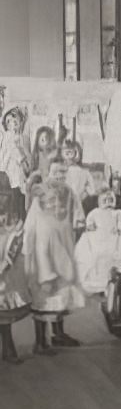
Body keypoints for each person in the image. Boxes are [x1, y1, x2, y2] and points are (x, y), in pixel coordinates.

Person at [22, 180, 85, 351]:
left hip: (62, 264)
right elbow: (29, 239)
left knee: (61, 300)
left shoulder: (61, 215)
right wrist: (41, 274)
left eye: (58, 200)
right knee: (42, 303)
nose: (55, 204)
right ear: (41, 201)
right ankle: (40, 341)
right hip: (44, 268)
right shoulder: (38, 216)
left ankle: (58, 334)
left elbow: (68, 238)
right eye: (50, 201)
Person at [74, 187, 121, 295]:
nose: (108, 204)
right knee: (93, 252)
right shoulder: (95, 212)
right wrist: (90, 226)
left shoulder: (117, 213)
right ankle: (96, 280)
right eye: (104, 201)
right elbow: (89, 221)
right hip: (98, 235)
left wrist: (119, 228)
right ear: (99, 202)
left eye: (111, 200)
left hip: (112, 236)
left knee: (115, 252)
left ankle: (112, 279)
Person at [0, 176, 30, 364]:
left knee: (4, 304)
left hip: (6, 265)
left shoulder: (13, 218)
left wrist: (7, 262)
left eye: (3, 195)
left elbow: (17, 238)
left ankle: (8, 347)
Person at [0, 106, 31, 221]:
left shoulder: (20, 137)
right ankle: (17, 215)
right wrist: (21, 160)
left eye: (14, 121)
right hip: (10, 168)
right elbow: (12, 151)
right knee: (16, 188)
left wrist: (24, 160)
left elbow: (23, 151)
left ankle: (21, 214)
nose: (11, 124)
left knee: (21, 188)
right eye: (8, 121)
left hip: (17, 168)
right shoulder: (9, 136)